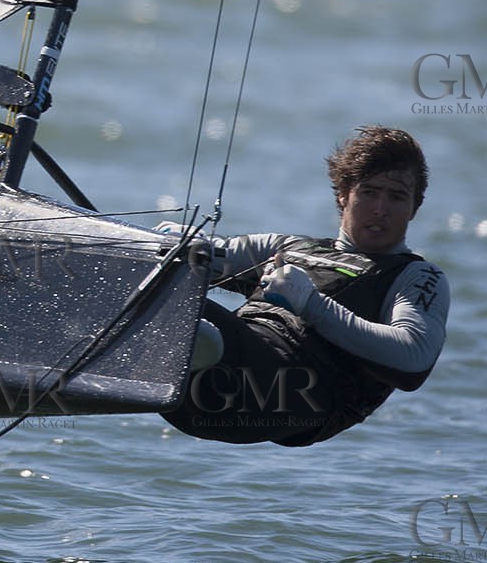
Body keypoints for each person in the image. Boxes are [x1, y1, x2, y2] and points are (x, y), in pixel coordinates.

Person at [160, 126, 450, 447]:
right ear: (344, 195)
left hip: (290, 394)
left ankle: (183, 343)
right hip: (198, 395)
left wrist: (311, 304)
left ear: (414, 207)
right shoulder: (288, 246)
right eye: (369, 192)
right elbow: (218, 254)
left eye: (396, 196)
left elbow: (414, 357)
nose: (381, 208)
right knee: (154, 282)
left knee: (169, 310)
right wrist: (171, 246)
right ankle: (175, 352)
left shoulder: (416, 276)